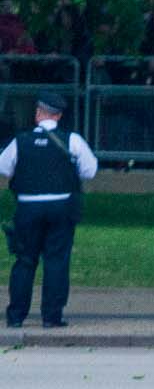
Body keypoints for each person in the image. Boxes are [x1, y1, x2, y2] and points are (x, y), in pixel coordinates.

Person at [2, 93, 95, 330]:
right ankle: (51, 316)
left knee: (24, 260)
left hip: (28, 206)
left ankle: (16, 316)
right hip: (61, 206)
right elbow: (89, 170)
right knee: (56, 261)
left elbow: (4, 166)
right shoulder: (71, 140)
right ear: (59, 115)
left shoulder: (20, 141)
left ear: (38, 114)